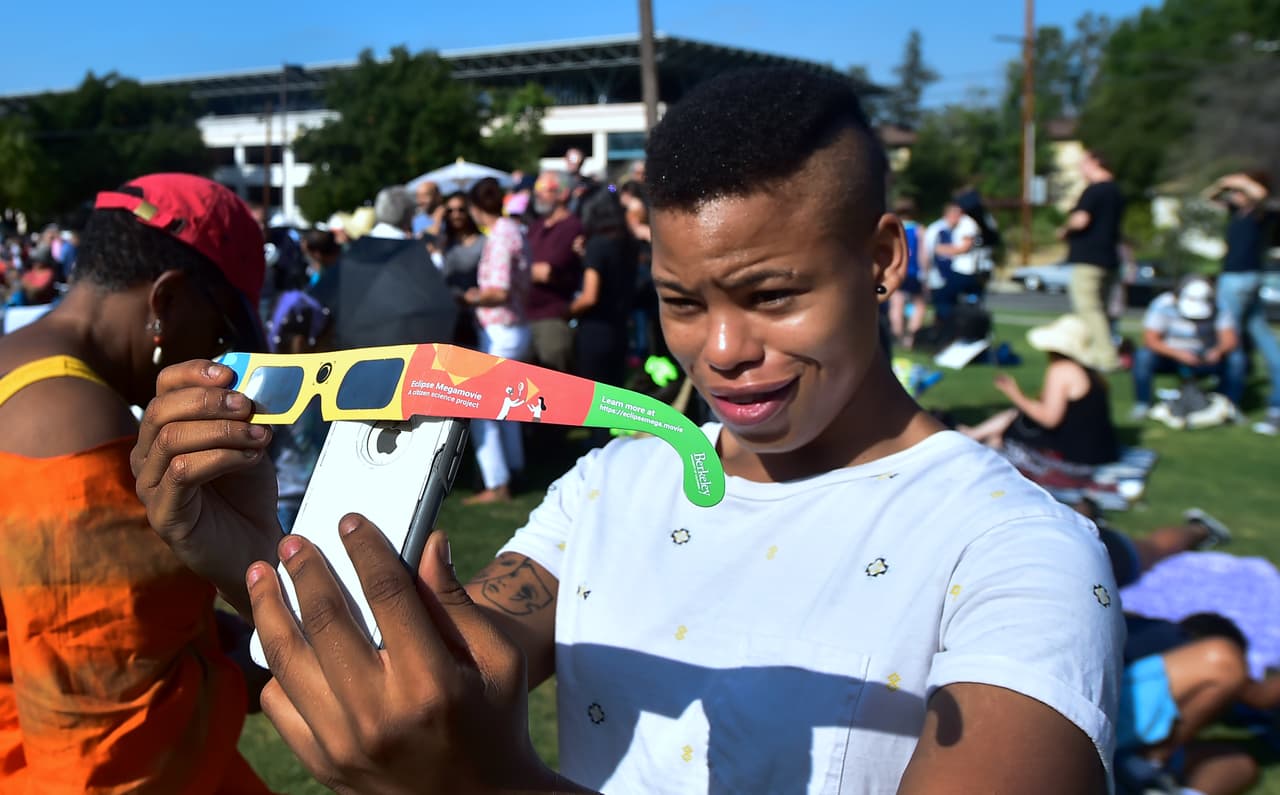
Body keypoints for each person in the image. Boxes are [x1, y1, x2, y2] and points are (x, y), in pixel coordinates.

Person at [132, 68, 1122, 794]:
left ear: (881, 258)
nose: (723, 348)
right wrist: (260, 559)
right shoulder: (615, 484)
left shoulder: (1017, 552)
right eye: (683, 302)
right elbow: (448, 665)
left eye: (770, 295)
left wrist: (491, 786)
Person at [0, 174, 272, 792]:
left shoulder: (17, 369)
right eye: (224, 336)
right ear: (166, 303)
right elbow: (107, 730)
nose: (224, 364)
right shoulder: (68, 424)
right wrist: (284, 657)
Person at [961, 314, 1119, 467]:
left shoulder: (1062, 370)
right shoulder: (1090, 373)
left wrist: (1014, 393)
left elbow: (1049, 419)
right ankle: (974, 434)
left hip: (1076, 453)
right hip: (1102, 450)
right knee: (1015, 419)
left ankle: (975, 443)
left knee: (1007, 431)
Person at [462, 176, 532, 505]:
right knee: (509, 408)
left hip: (500, 329)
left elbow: (499, 290)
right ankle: (514, 469)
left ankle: (497, 481)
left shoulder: (501, 236)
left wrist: (473, 297)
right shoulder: (515, 230)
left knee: (482, 408)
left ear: (477, 209)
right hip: (513, 326)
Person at [1203, 171, 1280, 435]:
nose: (1236, 194)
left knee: (1229, 337)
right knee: (1261, 336)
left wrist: (1241, 182)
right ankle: (1274, 406)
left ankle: (1230, 400)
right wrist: (1222, 183)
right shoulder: (1237, 212)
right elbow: (1209, 198)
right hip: (1241, 279)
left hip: (1239, 280)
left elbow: (1260, 196)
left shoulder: (1263, 213)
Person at [1131, 276, 1245, 422]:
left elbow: (1230, 340)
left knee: (1236, 358)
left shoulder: (1220, 306)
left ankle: (1229, 406)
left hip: (1205, 356)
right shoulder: (1162, 304)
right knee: (1143, 356)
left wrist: (1218, 351)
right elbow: (1150, 340)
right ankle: (1143, 404)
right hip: (1170, 356)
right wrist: (1177, 353)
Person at [1060, 149, 1125, 372]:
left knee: (1089, 309)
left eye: (1083, 163)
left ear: (1095, 162)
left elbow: (1080, 220)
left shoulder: (1094, 190)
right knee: (1102, 310)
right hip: (1110, 257)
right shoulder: (1116, 191)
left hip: (1090, 257)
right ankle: (1096, 353)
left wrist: (1065, 229)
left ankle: (1106, 357)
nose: (1080, 168)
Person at [569, 187, 637, 390]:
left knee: (591, 399)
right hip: (620, 328)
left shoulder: (597, 245)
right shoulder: (627, 243)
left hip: (595, 331)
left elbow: (590, 296)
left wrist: (564, 312)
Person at [524, 172, 585, 373]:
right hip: (525, 317)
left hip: (553, 318)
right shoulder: (535, 227)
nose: (538, 195)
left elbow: (547, 271)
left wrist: (517, 272)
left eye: (545, 190)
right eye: (536, 191)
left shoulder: (572, 227)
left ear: (563, 194)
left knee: (555, 385)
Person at [436, 191, 487, 349]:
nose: (456, 215)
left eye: (461, 210)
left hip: (473, 315)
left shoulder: (483, 243)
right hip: (446, 314)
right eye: (450, 211)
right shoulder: (442, 243)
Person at [887, 198, 927, 350]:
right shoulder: (919, 229)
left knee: (897, 303)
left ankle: (897, 335)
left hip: (897, 270)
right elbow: (924, 254)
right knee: (919, 305)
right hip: (914, 272)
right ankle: (911, 338)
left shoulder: (894, 228)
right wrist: (925, 272)